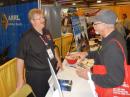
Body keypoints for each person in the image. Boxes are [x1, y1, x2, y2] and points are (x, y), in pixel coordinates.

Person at [72, 9, 127, 94]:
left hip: (110, 91)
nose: (93, 26)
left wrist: (90, 76)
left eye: (95, 23)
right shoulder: (111, 36)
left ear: (104, 24)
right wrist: (86, 53)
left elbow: (116, 80)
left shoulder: (113, 46)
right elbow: (102, 54)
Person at [16, 8, 62, 97]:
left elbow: (53, 47)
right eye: (39, 18)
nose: (43, 20)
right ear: (32, 21)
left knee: (52, 94)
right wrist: (20, 78)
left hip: (51, 72)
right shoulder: (26, 37)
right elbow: (20, 59)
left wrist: (59, 60)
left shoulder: (47, 32)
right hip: (37, 77)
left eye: (43, 17)